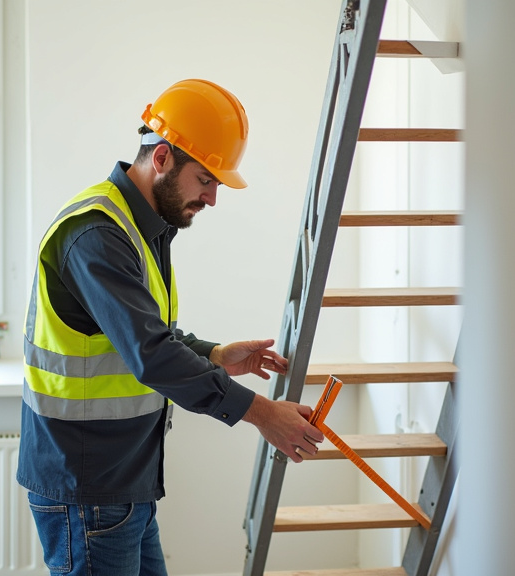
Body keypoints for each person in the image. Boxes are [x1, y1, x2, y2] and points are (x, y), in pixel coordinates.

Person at [16, 78, 324, 576]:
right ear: (162, 158)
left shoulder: (143, 226)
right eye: (206, 179)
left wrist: (216, 354)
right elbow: (150, 352)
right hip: (89, 486)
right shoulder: (97, 233)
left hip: (123, 481)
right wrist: (264, 414)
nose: (213, 198)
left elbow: (136, 334)